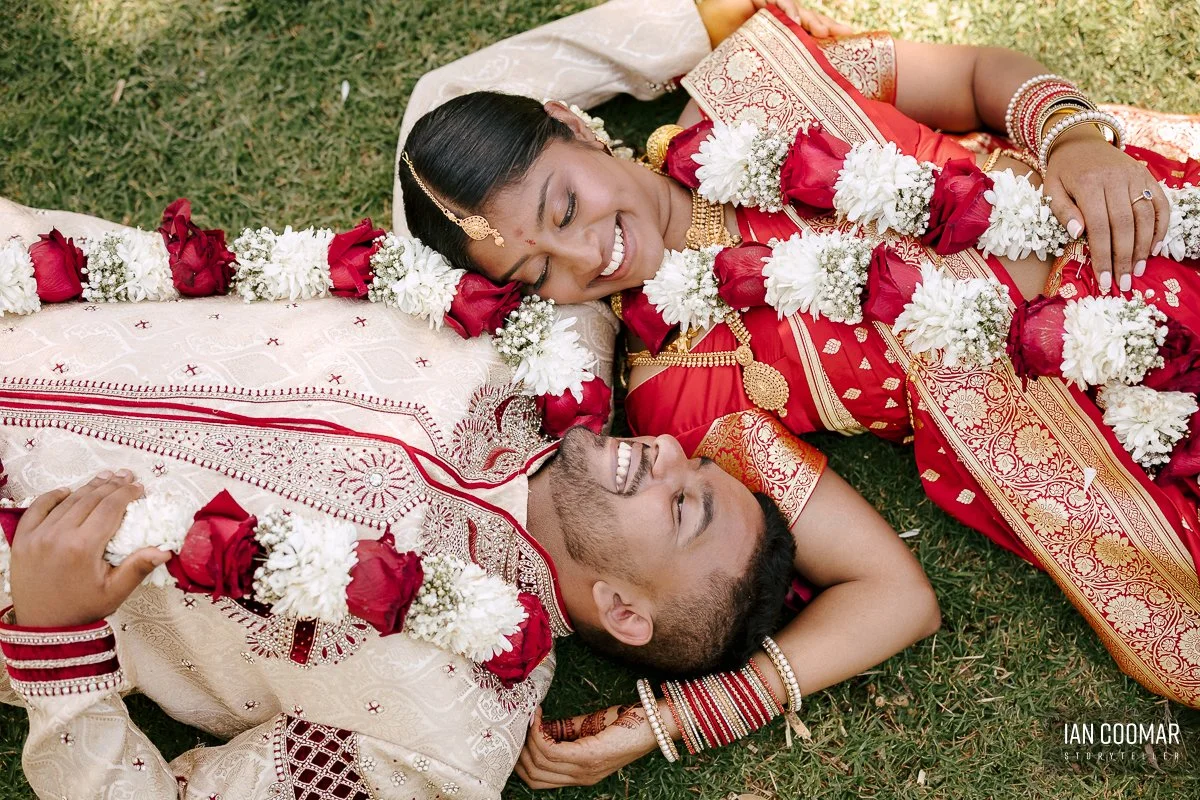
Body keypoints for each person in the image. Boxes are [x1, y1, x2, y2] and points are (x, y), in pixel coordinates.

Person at [398, 0, 1200, 785]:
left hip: (1121, 211)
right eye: (538, 272)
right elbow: (891, 594)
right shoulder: (683, 391)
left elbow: (979, 75)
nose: (583, 256)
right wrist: (677, 720)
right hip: (1100, 426)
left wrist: (1075, 140)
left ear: (571, 124)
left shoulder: (758, 79)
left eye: (565, 205)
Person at [0, 199, 938, 796]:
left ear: (619, 607)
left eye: (684, 504)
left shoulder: (448, 728)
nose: (661, 447)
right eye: (693, 462)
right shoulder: (534, 343)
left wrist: (54, 640)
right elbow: (501, 136)